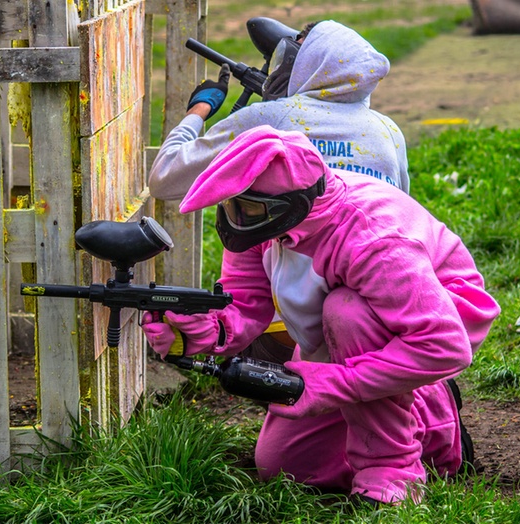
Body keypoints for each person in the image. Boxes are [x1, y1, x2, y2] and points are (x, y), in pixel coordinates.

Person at [141, 126, 501, 505]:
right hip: (336, 337)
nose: (235, 220)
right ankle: (414, 420)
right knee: (283, 466)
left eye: (246, 210)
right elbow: (245, 302)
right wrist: (201, 332)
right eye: (230, 206)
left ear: (293, 204)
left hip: (426, 326)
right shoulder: (262, 219)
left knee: (347, 312)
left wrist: (335, 382)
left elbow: (445, 346)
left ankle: (395, 466)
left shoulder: (372, 238)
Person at [149, 20, 411, 364]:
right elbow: (402, 209)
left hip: (288, 330)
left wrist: (199, 111)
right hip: (389, 308)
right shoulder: (388, 129)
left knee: (253, 215)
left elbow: (164, 177)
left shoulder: (270, 117)